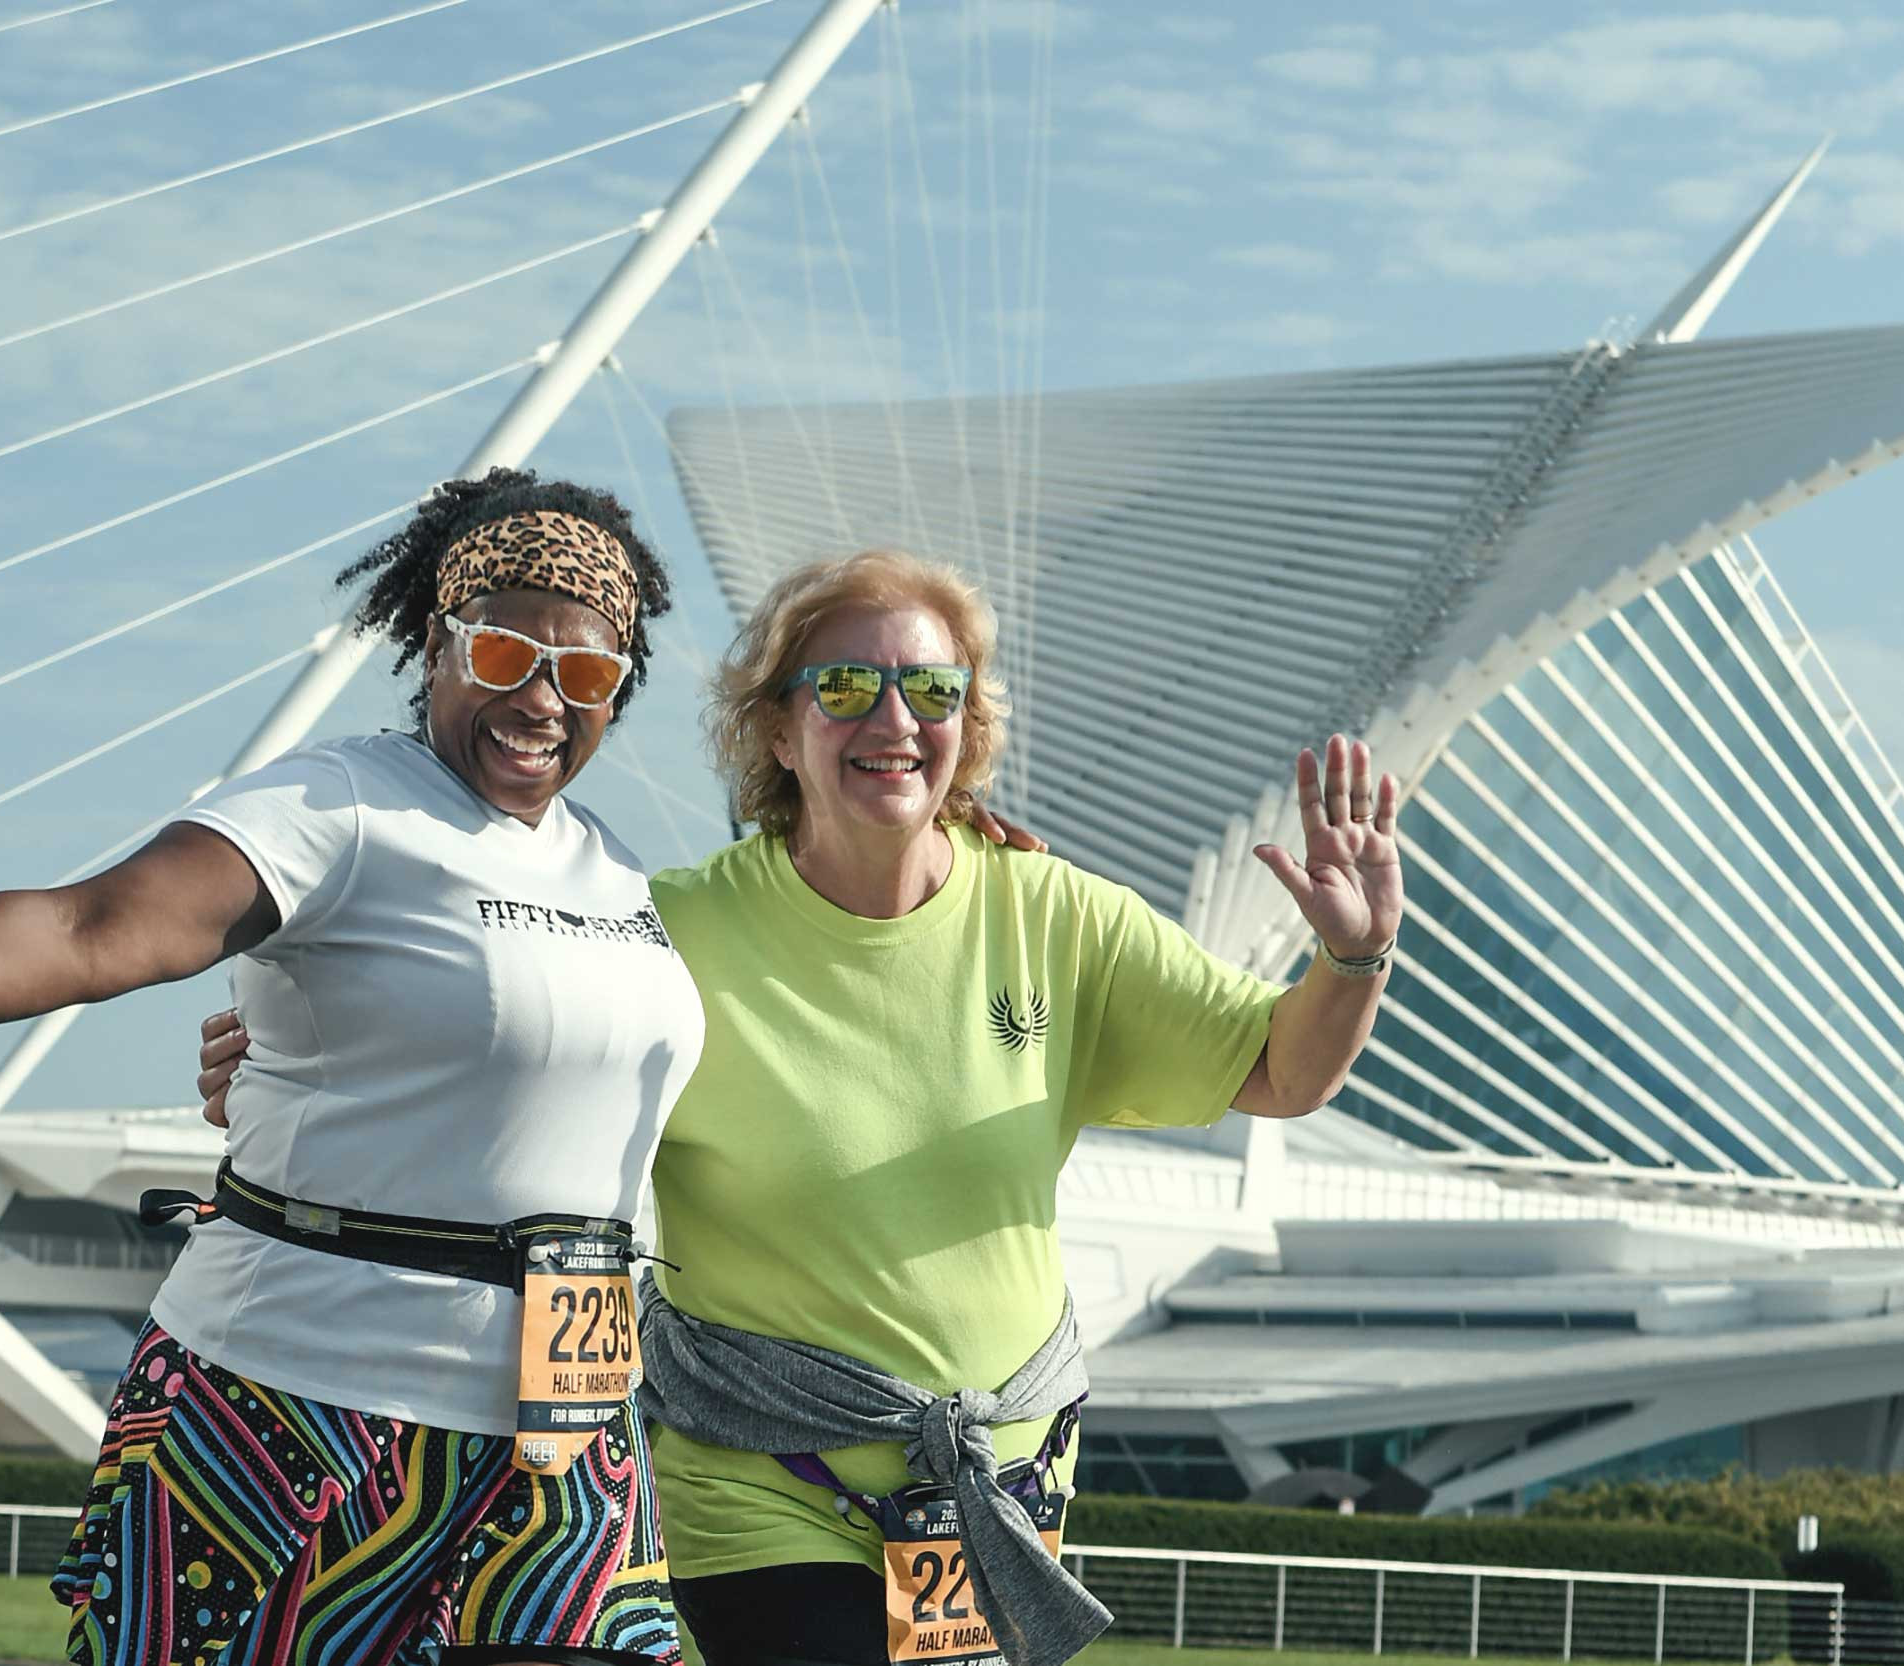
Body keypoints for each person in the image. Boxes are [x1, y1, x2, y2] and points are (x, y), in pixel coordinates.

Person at [0, 469, 715, 1666]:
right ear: (436, 640)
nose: (542, 697)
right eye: (505, 653)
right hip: (304, 1405)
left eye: (584, 672)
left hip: (567, 1435)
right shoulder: (341, 806)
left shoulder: (623, 873)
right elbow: (90, 928)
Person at [203, 549, 1402, 1666]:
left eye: (931, 688)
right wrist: (288, 1062)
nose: (894, 719)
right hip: (761, 1479)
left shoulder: (1060, 916)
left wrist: (1353, 960)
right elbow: (503, 1049)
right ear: (777, 727)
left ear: (967, 727)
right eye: (845, 684)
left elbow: (1280, 1072)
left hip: (993, 1484)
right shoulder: (661, 929)